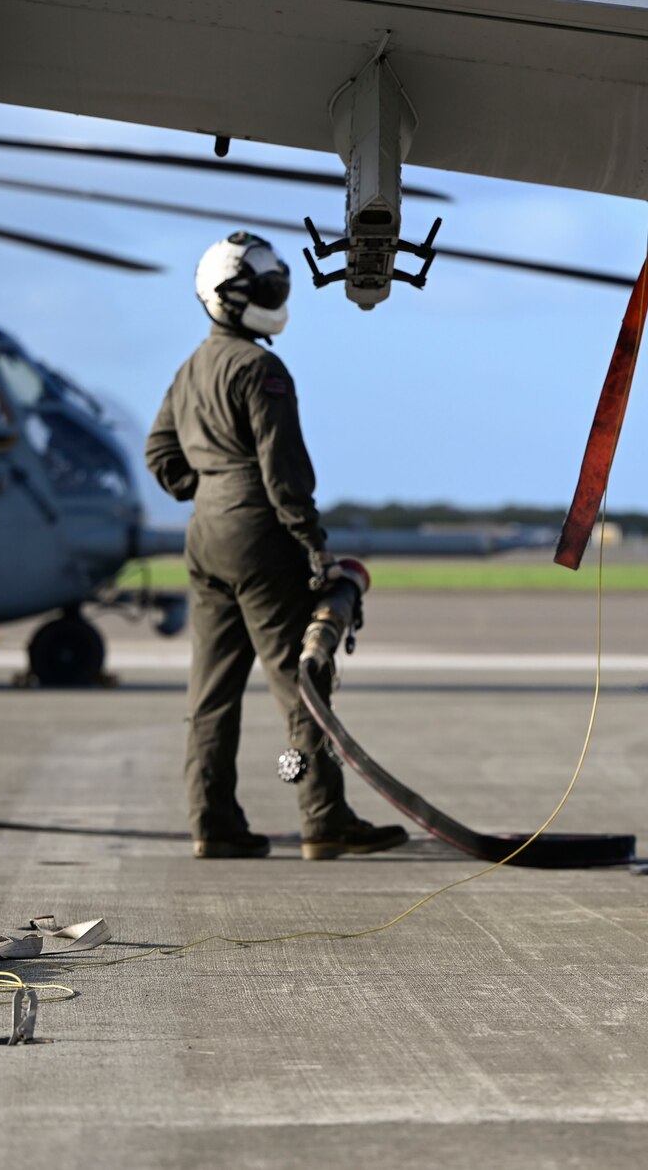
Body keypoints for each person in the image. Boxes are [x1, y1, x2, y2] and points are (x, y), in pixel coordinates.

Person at [146, 232, 406, 861]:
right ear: (231, 297)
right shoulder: (261, 369)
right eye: (265, 289)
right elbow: (284, 475)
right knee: (301, 680)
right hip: (259, 536)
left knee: (210, 692)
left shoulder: (191, 368)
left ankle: (213, 823)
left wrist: (207, 488)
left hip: (205, 537)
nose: (275, 298)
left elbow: (159, 455)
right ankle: (323, 817)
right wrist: (313, 547)